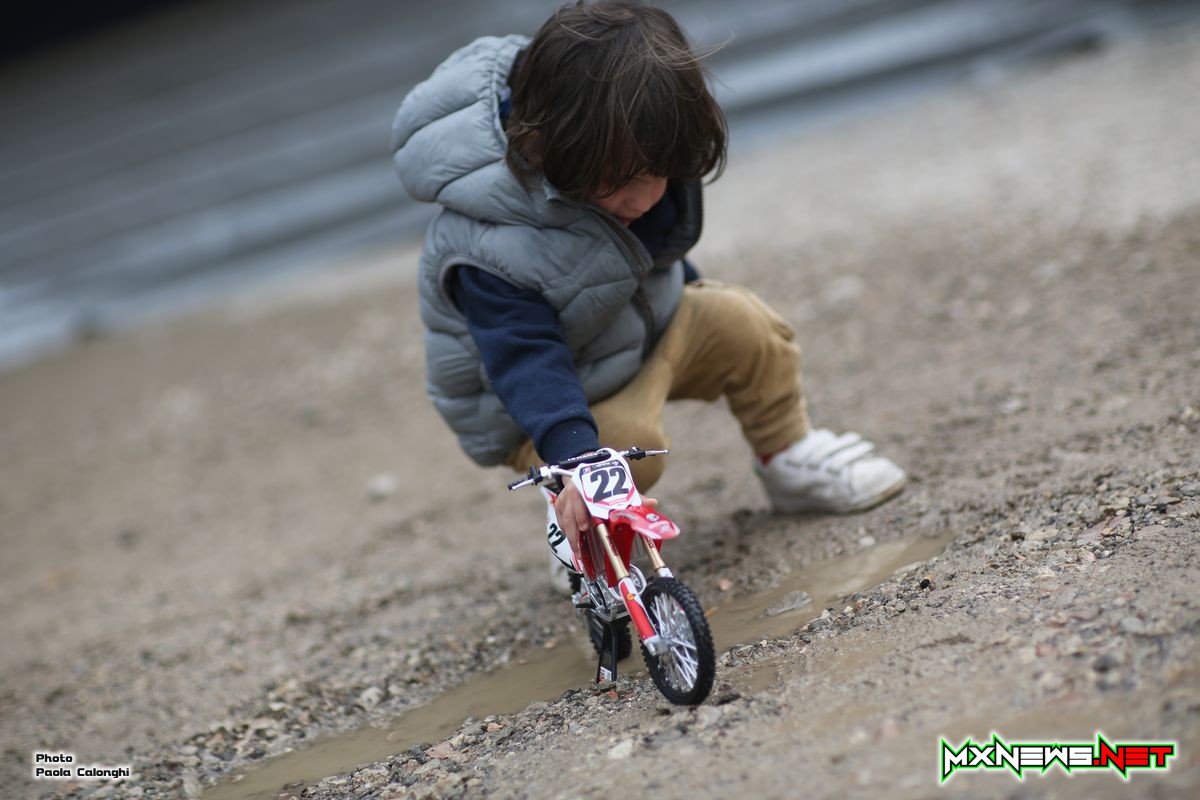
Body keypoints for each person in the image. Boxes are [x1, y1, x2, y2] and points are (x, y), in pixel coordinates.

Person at [391, 1, 905, 585]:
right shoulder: (487, 244)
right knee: (624, 452)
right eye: (617, 182)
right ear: (541, 146)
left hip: (636, 340)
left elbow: (646, 266)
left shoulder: (632, 156)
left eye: (655, 175)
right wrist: (575, 456)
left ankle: (787, 457)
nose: (640, 199)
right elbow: (524, 360)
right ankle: (582, 535)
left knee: (743, 323)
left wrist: (693, 295)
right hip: (542, 406)